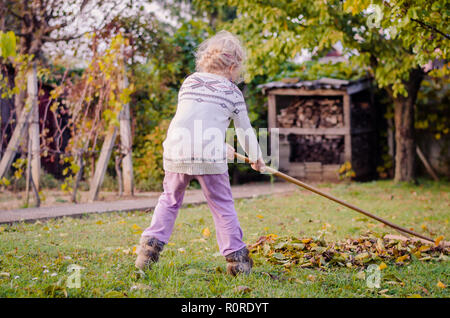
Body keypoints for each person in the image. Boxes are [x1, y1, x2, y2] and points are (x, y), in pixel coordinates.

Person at [135, 30, 265, 275]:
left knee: (170, 200)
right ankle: (237, 260)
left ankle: (149, 249)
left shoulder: (190, 81)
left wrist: (220, 146)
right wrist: (257, 158)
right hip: (207, 156)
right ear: (234, 66)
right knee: (222, 205)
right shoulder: (232, 92)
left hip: (177, 151)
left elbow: (197, 119)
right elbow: (244, 131)